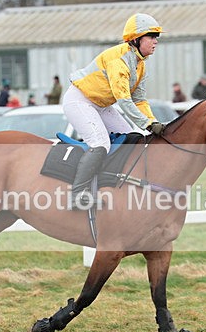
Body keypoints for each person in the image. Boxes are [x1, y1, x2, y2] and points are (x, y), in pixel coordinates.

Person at [63, 12, 166, 209]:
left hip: (100, 104)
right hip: (79, 101)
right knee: (101, 143)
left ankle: (117, 184)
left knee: (131, 138)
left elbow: (139, 100)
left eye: (157, 37)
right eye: (151, 36)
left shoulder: (140, 64)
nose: (155, 42)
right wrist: (148, 124)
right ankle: (77, 195)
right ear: (136, 40)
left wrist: (153, 122)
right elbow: (124, 101)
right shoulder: (119, 61)